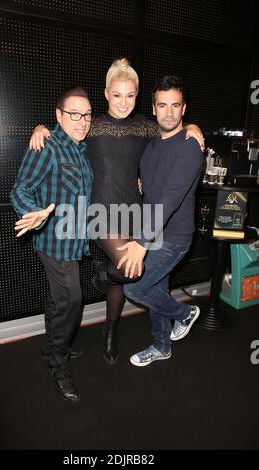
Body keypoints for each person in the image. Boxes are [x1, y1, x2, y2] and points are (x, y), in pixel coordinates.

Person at [29, 59, 204, 366]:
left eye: (131, 95)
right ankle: (104, 276)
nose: (124, 102)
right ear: (106, 94)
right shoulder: (91, 125)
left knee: (124, 279)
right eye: (118, 95)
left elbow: (172, 125)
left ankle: (111, 330)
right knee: (126, 270)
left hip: (135, 212)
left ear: (138, 98)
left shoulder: (145, 126)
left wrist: (193, 126)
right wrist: (41, 127)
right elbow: (63, 128)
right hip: (99, 213)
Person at [10, 87, 93, 402]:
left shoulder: (80, 149)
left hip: (74, 240)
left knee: (59, 299)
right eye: (74, 114)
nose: (82, 121)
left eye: (86, 115)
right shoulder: (46, 146)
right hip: (54, 242)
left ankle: (51, 346)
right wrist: (33, 213)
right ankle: (59, 364)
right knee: (72, 300)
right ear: (58, 115)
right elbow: (20, 188)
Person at [118, 75, 203, 366]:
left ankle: (185, 313)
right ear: (154, 109)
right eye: (162, 105)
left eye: (175, 105)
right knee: (158, 290)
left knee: (136, 288)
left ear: (184, 109)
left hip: (174, 237)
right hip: (153, 230)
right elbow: (150, 183)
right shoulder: (152, 146)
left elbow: (171, 198)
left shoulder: (190, 146)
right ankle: (161, 345)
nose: (169, 112)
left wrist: (141, 243)